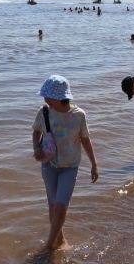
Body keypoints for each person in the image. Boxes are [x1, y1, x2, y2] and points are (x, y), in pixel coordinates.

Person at [32, 75, 99, 252]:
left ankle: (48, 247)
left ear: (61, 97)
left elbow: (85, 139)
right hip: (49, 165)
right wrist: (36, 149)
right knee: (53, 206)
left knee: (61, 206)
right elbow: (36, 132)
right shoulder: (44, 111)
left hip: (70, 167)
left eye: (48, 96)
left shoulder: (79, 115)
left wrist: (94, 164)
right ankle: (60, 240)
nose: (45, 100)